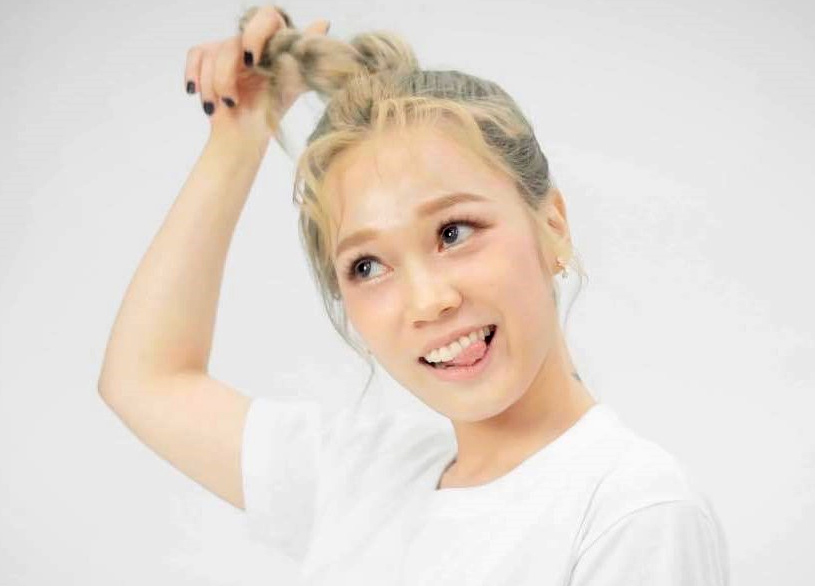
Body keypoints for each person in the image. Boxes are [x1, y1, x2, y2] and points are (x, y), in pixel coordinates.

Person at [97, 5, 730, 585]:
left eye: (454, 232)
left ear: (553, 227)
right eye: (368, 266)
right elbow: (144, 380)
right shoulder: (364, 479)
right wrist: (240, 135)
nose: (428, 302)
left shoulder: (632, 510)